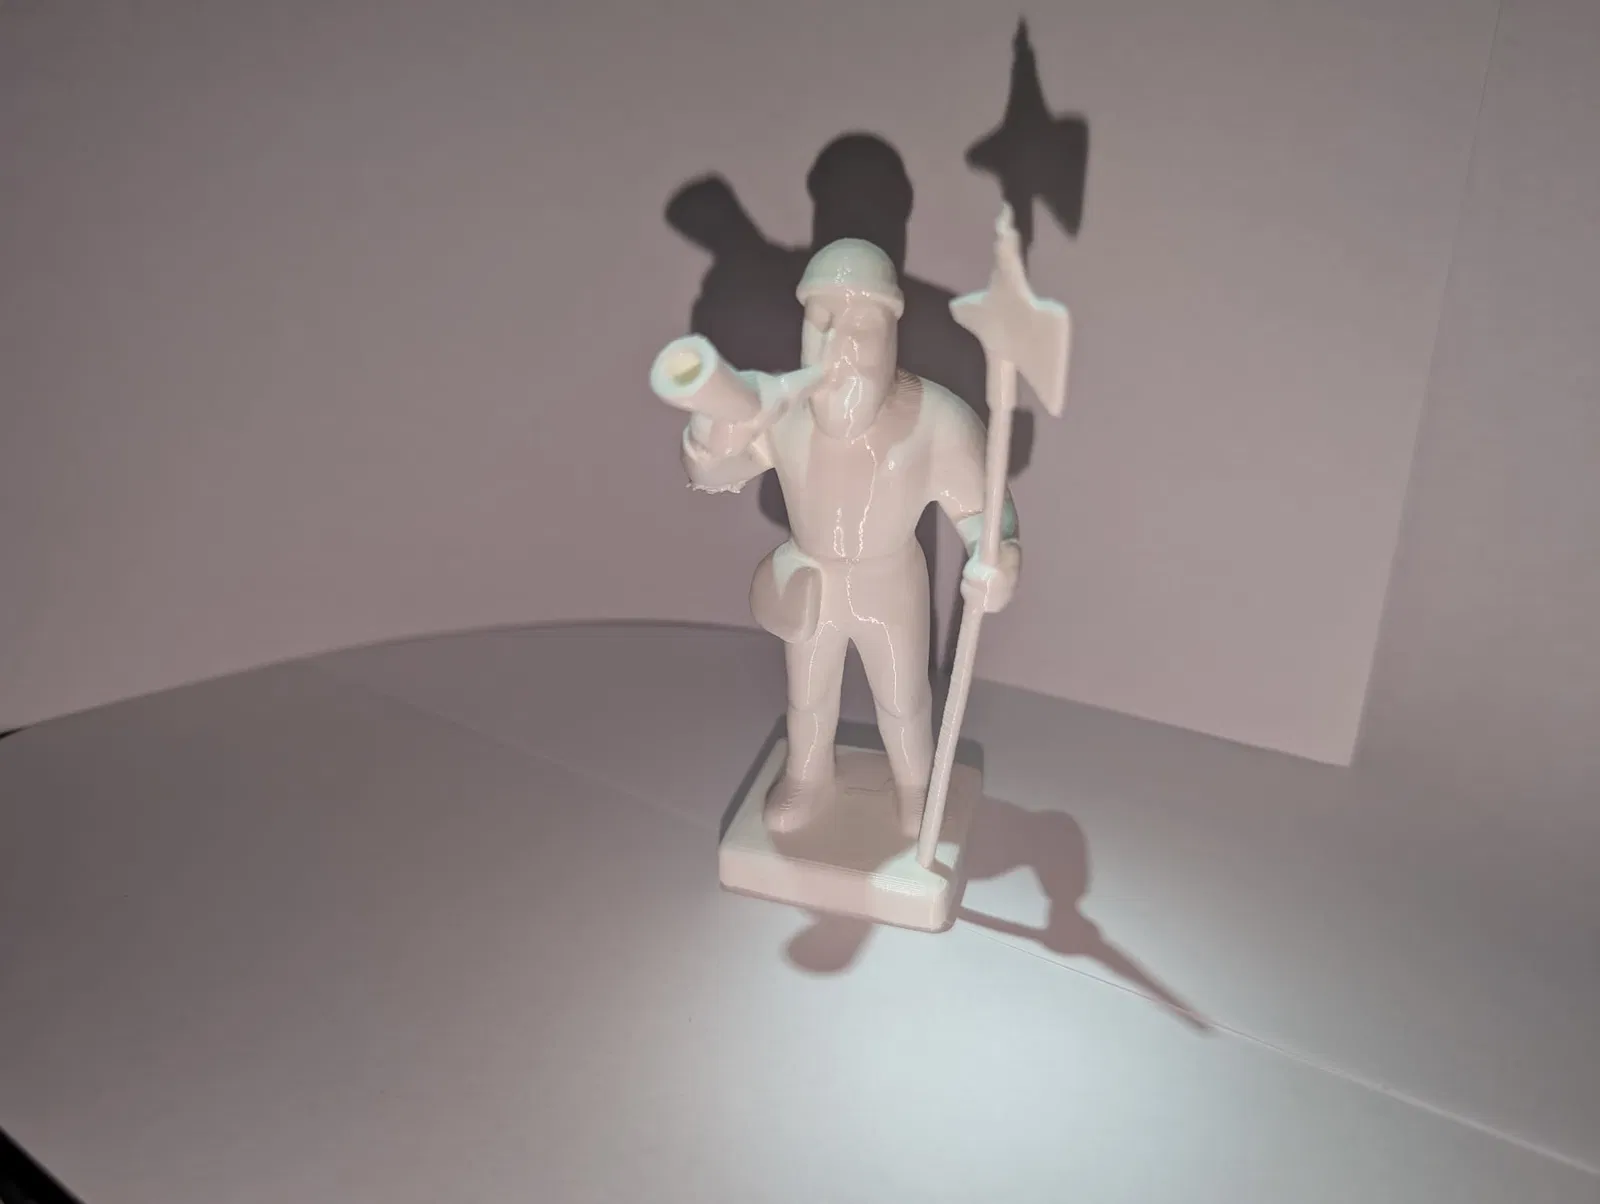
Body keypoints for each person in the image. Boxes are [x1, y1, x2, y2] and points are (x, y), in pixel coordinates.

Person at [673, 238, 1022, 838]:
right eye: (823, 320)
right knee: (808, 697)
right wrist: (709, 437)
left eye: (862, 325)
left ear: (892, 331)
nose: (839, 343)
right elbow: (716, 473)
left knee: (902, 700)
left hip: (890, 584)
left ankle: (915, 786)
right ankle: (808, 778)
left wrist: (996, 559)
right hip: (811, 578)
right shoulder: (782, 409)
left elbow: (984, 513)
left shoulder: (937, 419)